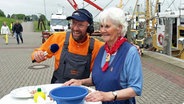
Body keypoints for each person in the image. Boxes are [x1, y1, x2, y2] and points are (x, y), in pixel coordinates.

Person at [63, 7, 143, 104]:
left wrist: (109, 95)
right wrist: (80, 82)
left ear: (120, 28)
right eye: (101, 26)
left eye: (107, 26)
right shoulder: (102, 50)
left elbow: (136, 88)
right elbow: (99, 79)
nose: (103, 30)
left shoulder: (130, 52)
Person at [31, 8, 104, 83]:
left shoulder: (98, 46)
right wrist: (37, 55)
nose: (75, 28)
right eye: (74, 23)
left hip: (80, 90)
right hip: (58, 87)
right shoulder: (58, 38)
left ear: (89, 28)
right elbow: (36, 54)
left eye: (80, 25)